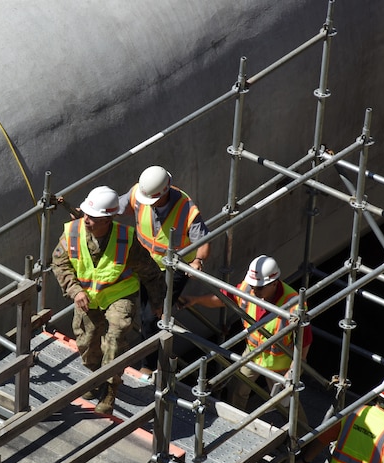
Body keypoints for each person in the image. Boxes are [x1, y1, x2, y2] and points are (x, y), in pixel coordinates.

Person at [52, 186, 166, 415]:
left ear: (107, 219)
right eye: (85, 214)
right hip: (87, 297)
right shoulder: (72, 233)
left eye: (92, 217)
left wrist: (157, 303)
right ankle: (97, 378)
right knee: (87, 343)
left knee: (115, 336)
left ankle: (109, 391)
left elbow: (150, 272)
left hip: (119, 294)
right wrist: (75, 291)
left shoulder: (126, 240)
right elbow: (59, 264)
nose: (86, 220)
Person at [184, 255, 311, 419]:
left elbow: (304, 341)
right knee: (238, 390)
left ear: (273, 283)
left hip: (280, 364)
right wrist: (196, 300)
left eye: (259, 288)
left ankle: (302, 435)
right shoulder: (247, 289)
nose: (254, 291)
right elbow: (222, 298)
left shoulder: (294, 305)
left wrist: (293, 371)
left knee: (287, 402)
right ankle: (235, 422)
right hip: (253, 354)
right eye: (253, 286)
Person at [119, 165, 211, 376]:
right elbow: (120, 207)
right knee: (145, 316)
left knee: (153, 315)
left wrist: (198, 261)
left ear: (165, 191)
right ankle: (167, 309)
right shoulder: (139, 193)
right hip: (146, 265)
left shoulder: (185, 207)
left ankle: (149, 366)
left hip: (173, 268)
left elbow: (204, 240)